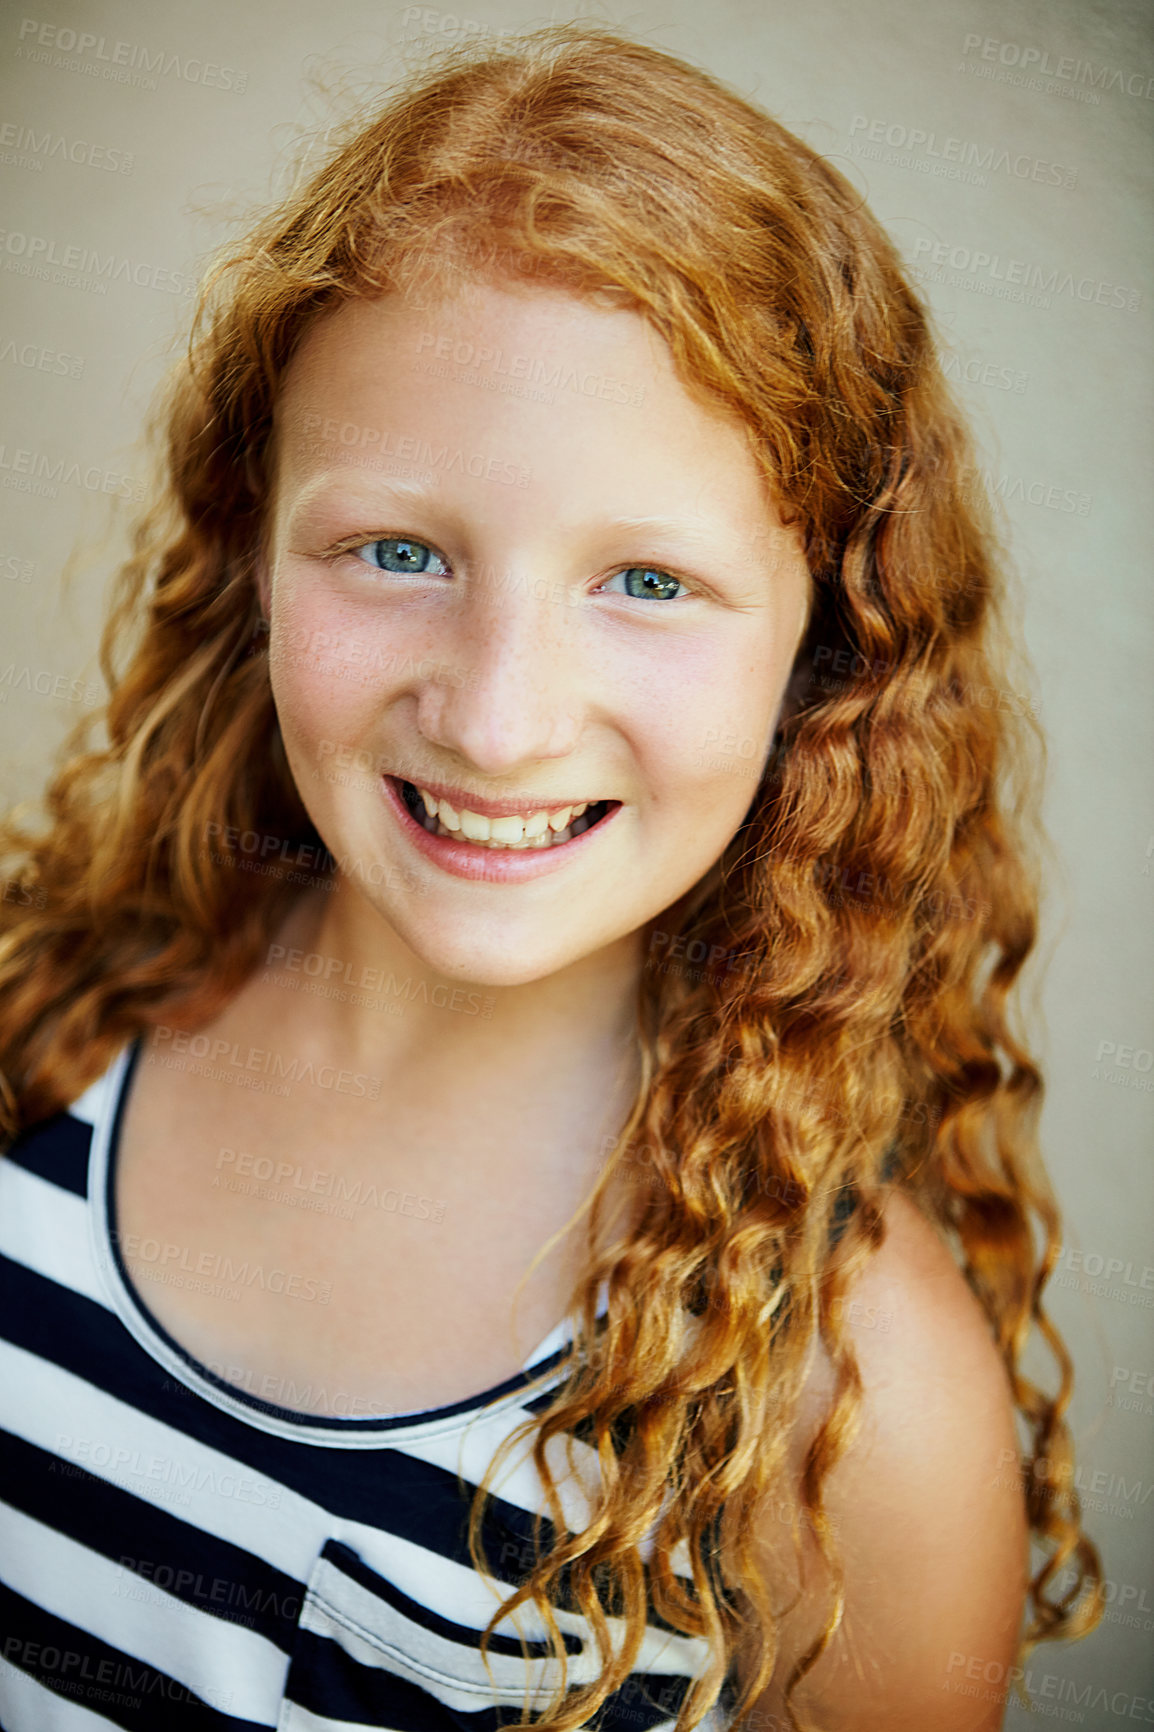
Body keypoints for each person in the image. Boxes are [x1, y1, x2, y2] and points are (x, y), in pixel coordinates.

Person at [0, 23, 1102, 1732]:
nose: (500, 719)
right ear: (251, 551)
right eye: (395, 550)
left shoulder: (838, 1405)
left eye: (647, 581)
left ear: (829, 646)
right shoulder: (44, 1020)